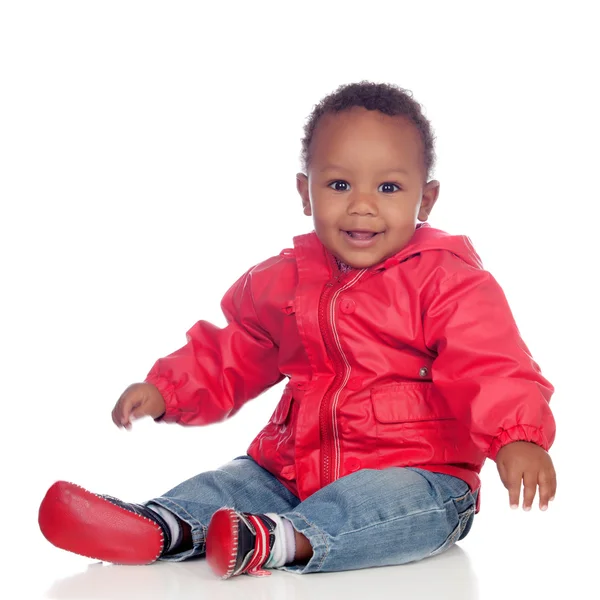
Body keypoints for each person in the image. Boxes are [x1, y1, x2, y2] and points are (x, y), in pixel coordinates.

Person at [38, 81, 557, 579]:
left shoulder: (446, 281)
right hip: (293, 468)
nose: (361, 204)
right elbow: (237, 348)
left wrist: (518, 437)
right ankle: (162, 524)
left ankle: (284, 540)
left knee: (382, 505)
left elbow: (489, 362)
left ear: (426, 200)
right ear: (305, 192)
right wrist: (167, 389)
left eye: (389, 187)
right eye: (339, 184)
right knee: (234, 481)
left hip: (423, 475)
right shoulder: (286, 281)